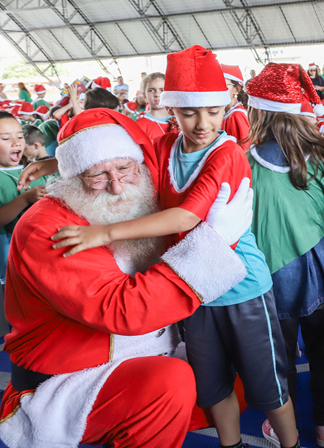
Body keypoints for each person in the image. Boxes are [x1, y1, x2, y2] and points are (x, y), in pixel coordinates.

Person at [52, 47, 300, 448]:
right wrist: (57, 165)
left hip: (241, 289)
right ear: (172, 109)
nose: (203, 123)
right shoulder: (166, 146)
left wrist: (105, 234)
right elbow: (120, 157)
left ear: (228, 106)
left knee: (268, 387)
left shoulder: (228, 152)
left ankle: (292, 445)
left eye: (213, 112)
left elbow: (187, 216)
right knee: (212, 385)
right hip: (190, 289)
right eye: (189, 113)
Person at [0, 108, 253, 448]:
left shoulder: (144, 197)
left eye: (124, 168)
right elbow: (122, 310)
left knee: (237, 369)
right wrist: (216, 243)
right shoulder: (47, 228)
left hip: (140, 355)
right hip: (67, 379)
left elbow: (179, 144)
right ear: (74, 177)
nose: (116, 186)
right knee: (170, 383)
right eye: (97, 176)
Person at [244, 64, 324, 447]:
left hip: (266, 276)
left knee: (280, 354)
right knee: (320, 350)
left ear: (259, 112)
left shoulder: (246, 162)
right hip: (317, 274)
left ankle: (280, 423)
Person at [0, 112, 49, 285]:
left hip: (33, 244)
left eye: (20, 136)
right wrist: (25, 199)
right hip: (6, 245)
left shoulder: (33, 168)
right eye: (5, 138)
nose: (16, 142)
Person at [136, 72, 177, 142]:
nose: (157, 94)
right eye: (151, 90)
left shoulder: (181, 119)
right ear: (144, 95)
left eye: (162, 90)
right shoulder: (139, 126)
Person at [220, 64, 250, 150]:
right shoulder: (227, 112)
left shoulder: (237, 115)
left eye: (223, 84)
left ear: (236, 90)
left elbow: (244, 149)